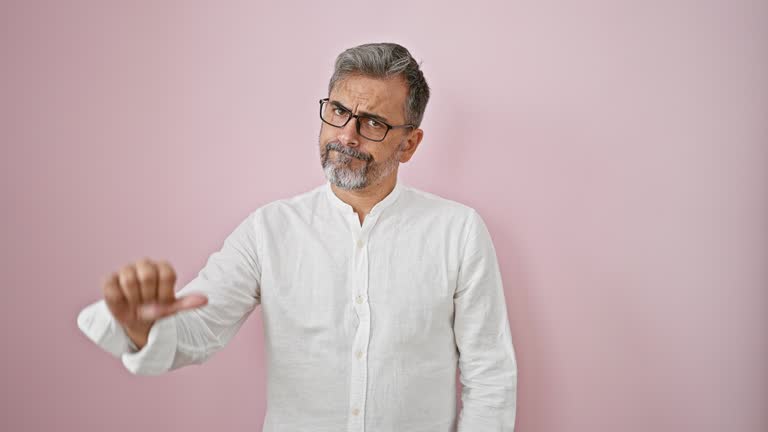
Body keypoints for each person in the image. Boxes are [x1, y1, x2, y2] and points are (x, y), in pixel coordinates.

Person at [77, 42, 518, 431]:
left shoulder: (458, 231)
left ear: (409, 144)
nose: (346, 135)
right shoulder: (269, 230)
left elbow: (489, 375)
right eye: (339, 112)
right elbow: (199, 327)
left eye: (372, 123)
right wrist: (144, 328)